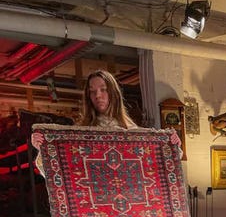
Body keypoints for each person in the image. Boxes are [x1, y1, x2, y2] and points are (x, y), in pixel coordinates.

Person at [32, 69, 182, 168]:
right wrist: (44, 148)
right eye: (92, 92)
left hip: (131, 203)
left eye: (103, 90)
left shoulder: (132, 132)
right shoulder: (79, 135)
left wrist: (173, 146)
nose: (97, 95)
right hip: (94, 205)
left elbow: (157, 166)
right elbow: (61, 170)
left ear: (113, 93)